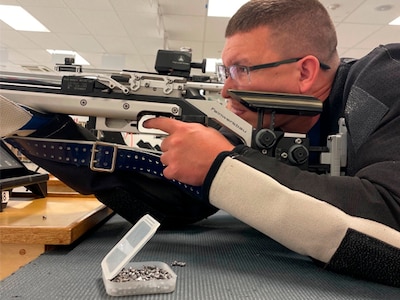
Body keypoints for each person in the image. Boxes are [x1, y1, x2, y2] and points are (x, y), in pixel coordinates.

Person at [1, 0, 400, 287]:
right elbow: (178, 208)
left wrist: (223, 166)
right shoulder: (256, 120)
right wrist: (43, 134)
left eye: (242, 70)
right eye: (227, 70)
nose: (226, 89)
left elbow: (387, 218)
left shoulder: (383, 83)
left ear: (306, 71)